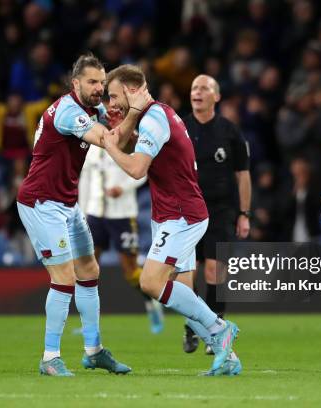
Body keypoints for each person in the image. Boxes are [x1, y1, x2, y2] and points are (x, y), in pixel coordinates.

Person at [102, 64, 241, 376]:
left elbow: (136, 168)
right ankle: (228, 357)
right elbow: (122, 134)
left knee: (150, 282)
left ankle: (220, 329)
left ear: (132, 90)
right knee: (182, 294)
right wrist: (125, 123)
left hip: (182, 216)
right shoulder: (151, 113)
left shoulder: (154, 119)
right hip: (169, 214)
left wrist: (110, 146)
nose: (111, 105)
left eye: (114, 96)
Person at [16, 54, 149, 377]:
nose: (98, 89)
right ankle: (50, 357)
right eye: (92, 82)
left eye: (102, 83)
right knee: (64, 277)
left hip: (67, 203)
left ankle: (93, 350)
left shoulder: (94, 109)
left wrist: (130, 117)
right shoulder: (67, 111)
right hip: (41, 203)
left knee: (89, 268)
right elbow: (107, 140)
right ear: (75, 83)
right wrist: (132, 112)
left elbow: (125, 140)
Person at [182, 74, 251, 354]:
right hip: (186, 210)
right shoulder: (180, 129)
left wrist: (244, 213)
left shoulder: (230, 132)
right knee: (189, 274)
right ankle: (192, 327)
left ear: (216, 96)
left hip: (221, 210)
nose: (197, 92)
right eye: (194, 87)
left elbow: (243, 175)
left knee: (214, 270)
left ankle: (216, 327)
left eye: (204, 88)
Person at [80, 144, 164, 334]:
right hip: (94, 214)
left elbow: (142, 172)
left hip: (123, 214)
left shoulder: (128, 142)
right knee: (87, 268)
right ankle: (90, 324)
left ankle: (151, 302)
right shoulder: (91, 148)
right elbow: (85, 181)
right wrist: (82, 213)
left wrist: (123, 188)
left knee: (130, 270)